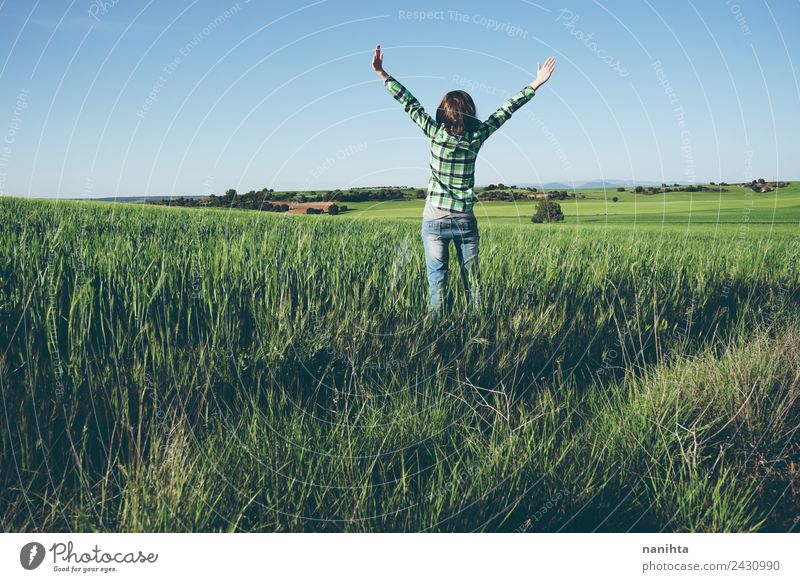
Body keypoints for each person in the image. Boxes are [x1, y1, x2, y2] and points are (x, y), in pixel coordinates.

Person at [372, 44, 555, 317]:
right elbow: (505, 111)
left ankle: (439, 339)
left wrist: (382, 73)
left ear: (442, 114)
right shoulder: (476, 137)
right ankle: (478, 332)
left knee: (437, 285)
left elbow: (409, 103)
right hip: (464, 220)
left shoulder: (434, 134)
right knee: (474, 285)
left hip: (434, 220)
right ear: (470, 112)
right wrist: (535, 84)